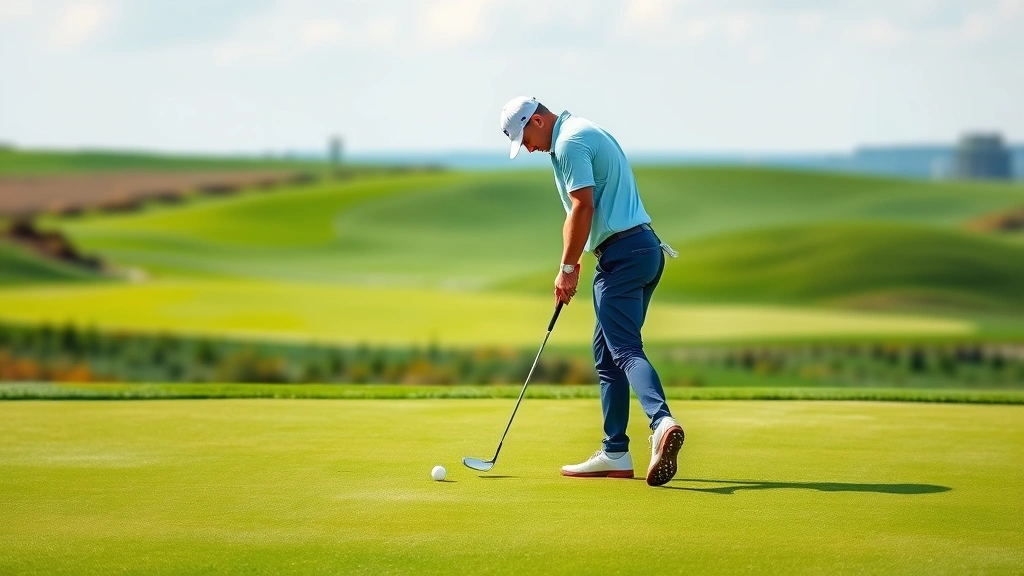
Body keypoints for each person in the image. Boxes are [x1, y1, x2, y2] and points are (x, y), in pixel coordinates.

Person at [499, 96, 685, 487]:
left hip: (623, 255)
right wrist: (578, 260)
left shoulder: (568, 142)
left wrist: (567, 269)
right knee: (607, 354)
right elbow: (584, 210)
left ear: (535, 120)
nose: (528, 148)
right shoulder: (584, 131)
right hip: (642, 250)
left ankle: (661, 422)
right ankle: (615, 451)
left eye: (525, 139)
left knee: (624, 350)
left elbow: (582, 206)